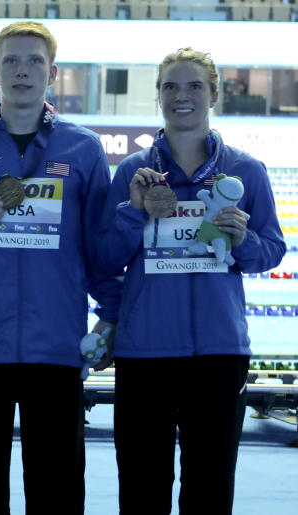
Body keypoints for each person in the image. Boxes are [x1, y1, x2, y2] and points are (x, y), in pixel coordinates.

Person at [0, 21, 121, 513]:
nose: (23, 70)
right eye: (12, 62)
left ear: (53, 73)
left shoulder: (82, 149)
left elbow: (98, 245)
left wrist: (111, 313)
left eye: (35, 61)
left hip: (56, 346)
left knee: (56, 488)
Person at [96, 48, 285, 514]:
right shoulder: (132, 172)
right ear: (158, 96)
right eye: (170, 87)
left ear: (214, 94)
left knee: (210, 487)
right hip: (146, 353)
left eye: (194, 86)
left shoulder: (246, 171)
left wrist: (242, 241)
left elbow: (272, 251)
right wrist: (132, 213)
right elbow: (104, 258)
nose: (182, 96)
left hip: (219, 353)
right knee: (143, 488)